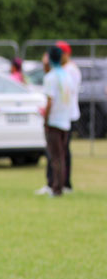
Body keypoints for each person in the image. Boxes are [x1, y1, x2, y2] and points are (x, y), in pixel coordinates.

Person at [40, 45, 73, 198]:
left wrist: (45, 120)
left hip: (54, 122)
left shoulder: (50, 77)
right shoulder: (67, 76)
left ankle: (56, 188)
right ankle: (60, 185)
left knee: (55, 157)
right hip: (65, 121)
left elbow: (49, 102)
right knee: (61, 156)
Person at [56, 40, 81, 192]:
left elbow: (66, 91)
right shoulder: (63, 69)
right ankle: (61, 182)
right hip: (63, 114)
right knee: (61, 149)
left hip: (68, 114)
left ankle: (66, 183)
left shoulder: (70, 70)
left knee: (64, 149)